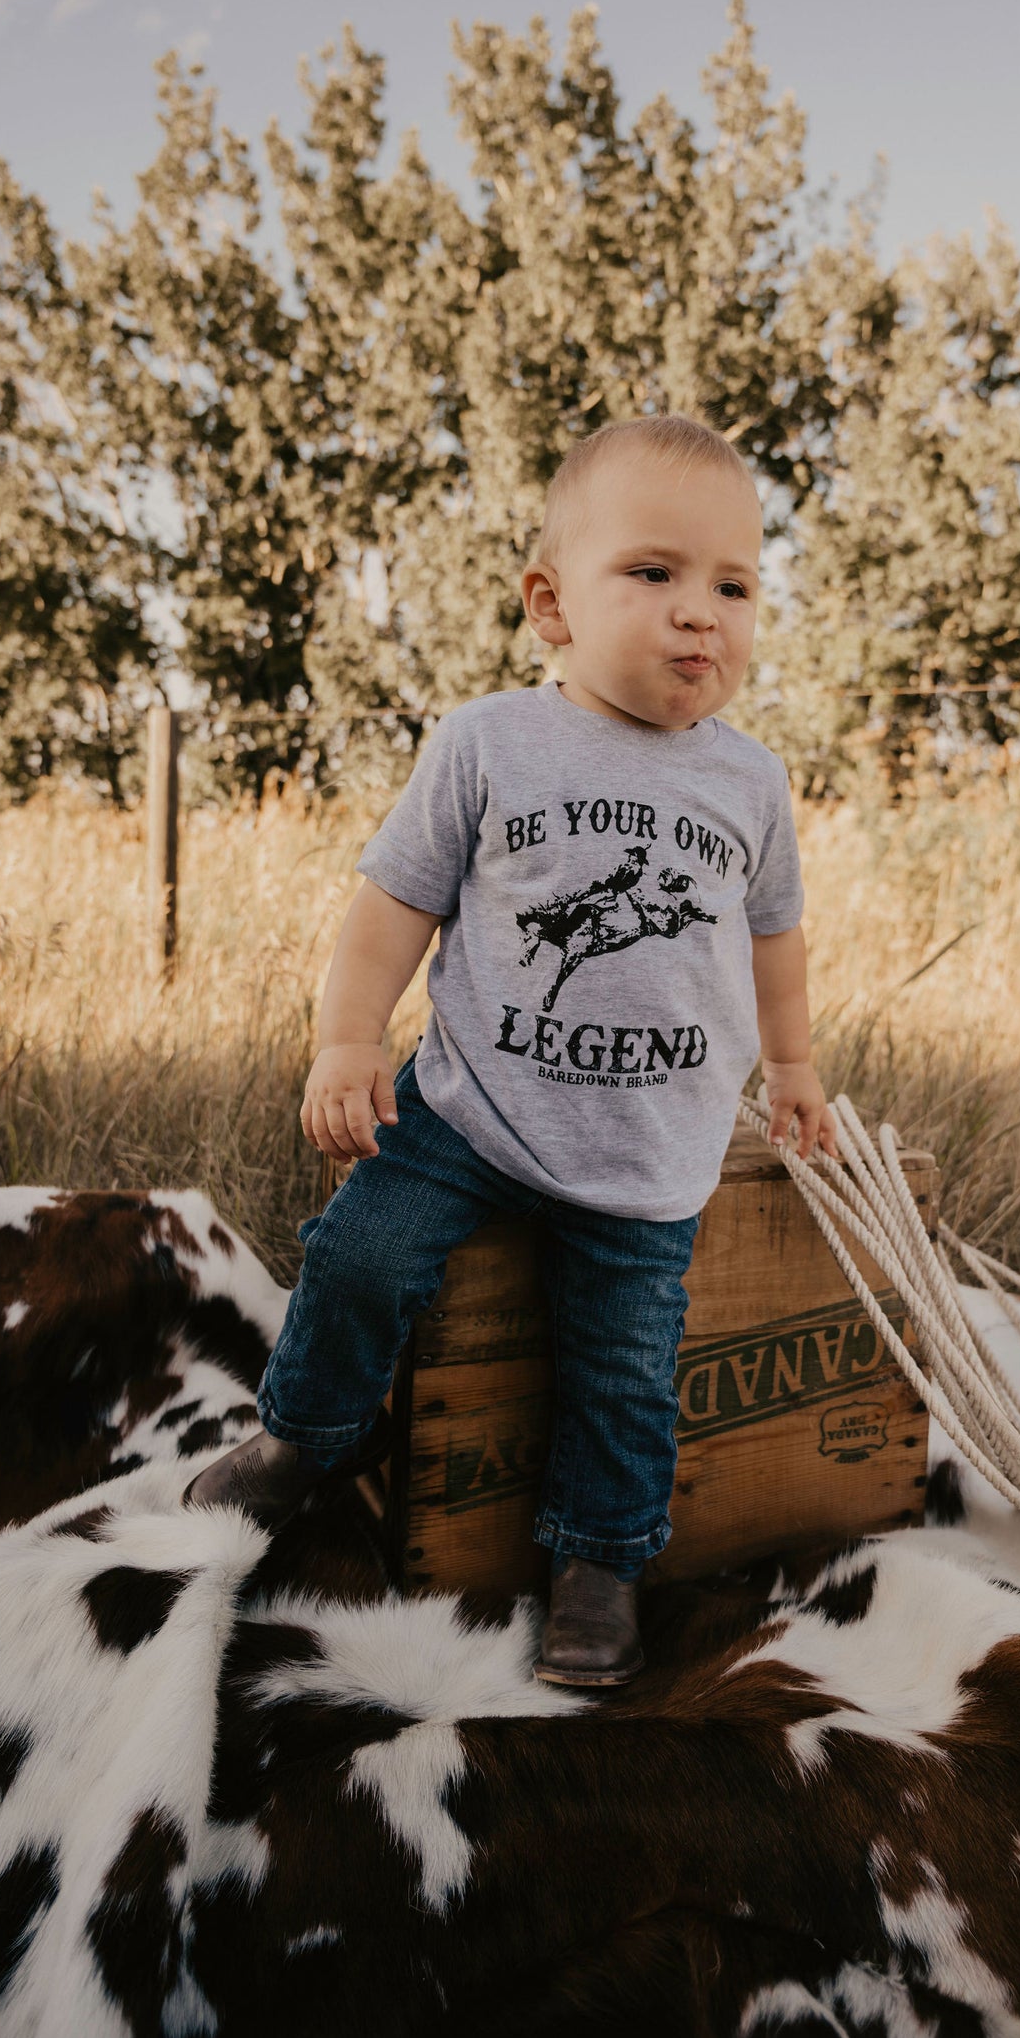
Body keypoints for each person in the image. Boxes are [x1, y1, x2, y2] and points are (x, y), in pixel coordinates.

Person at [184, 413, 838, 1686]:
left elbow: (774, 939)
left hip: (648, 1153)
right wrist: (345, 1038)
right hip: (469, 1111)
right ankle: (302, 1439)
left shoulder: (749, 785)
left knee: (624, 1369)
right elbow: (392, 905)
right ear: (551, 603)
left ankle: (598, 1558)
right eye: (651, 574)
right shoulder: (487, 743)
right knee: (360, 1255)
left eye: (733, 585)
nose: (698, 614)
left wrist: (795, 1066)